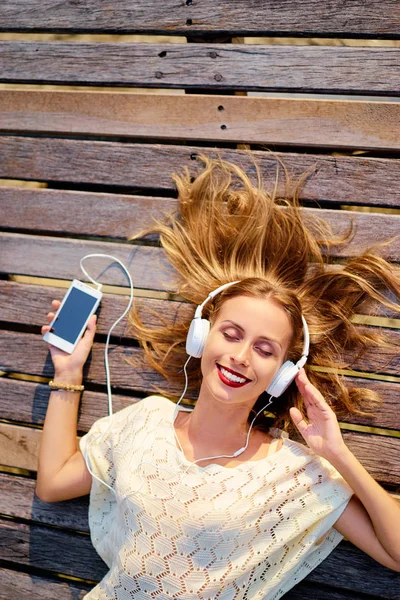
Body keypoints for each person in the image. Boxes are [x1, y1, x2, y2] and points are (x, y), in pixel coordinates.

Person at [37, 153, 400, 599]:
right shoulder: (145, 422)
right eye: (231, 334)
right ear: (201, 338)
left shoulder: (298, 474)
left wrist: (339, 455)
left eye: (265, 350)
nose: (242, 356)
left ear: (282, 374)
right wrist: (68, 371)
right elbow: (54, 483)